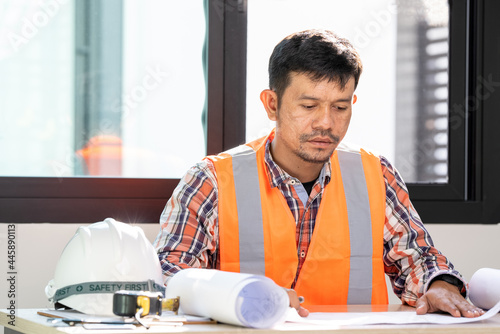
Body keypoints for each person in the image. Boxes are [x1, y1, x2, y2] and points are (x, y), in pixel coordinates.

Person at [154, 29, 484, 318]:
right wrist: (247, 293)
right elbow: (169, 280)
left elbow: (417, 257)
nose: (326, 123)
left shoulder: (375, 174)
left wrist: (440, 284)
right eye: (309, 106)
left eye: (340, 107)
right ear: (271, 104)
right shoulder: (211, 180)